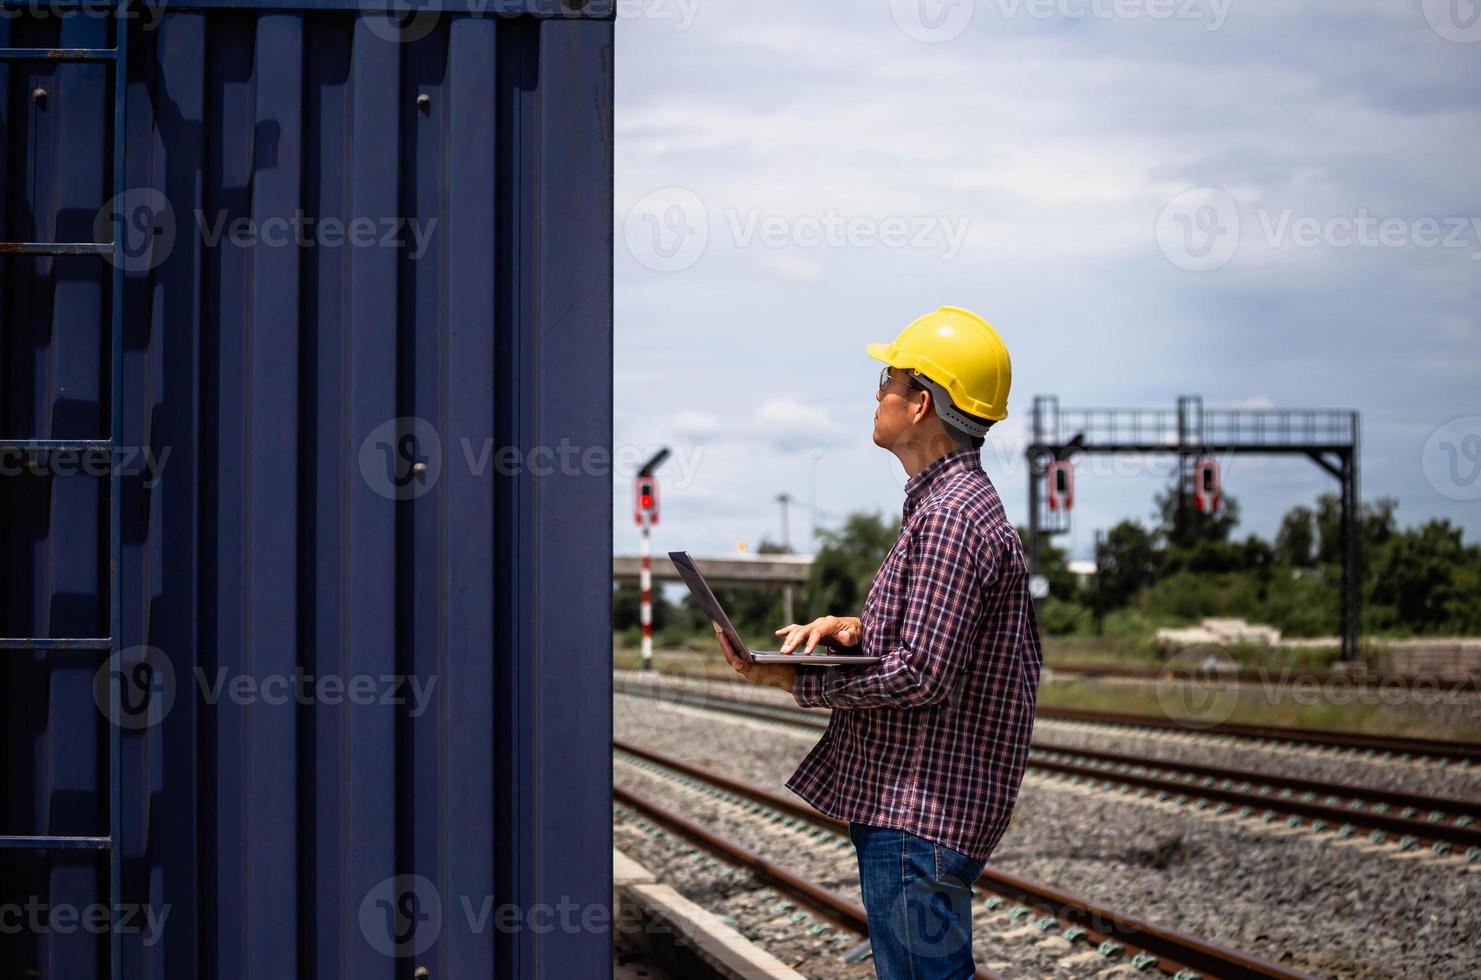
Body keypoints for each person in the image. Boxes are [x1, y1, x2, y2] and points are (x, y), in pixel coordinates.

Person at [717, 306, 1043, 980]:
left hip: (920, 810)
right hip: (920, 809)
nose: (876, 394)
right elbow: (946, 640)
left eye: (886, 380)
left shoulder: (949, 519)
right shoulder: (948, 508)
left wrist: (792, 679)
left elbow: (921, 673)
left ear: (920, 403)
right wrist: (856, 630)